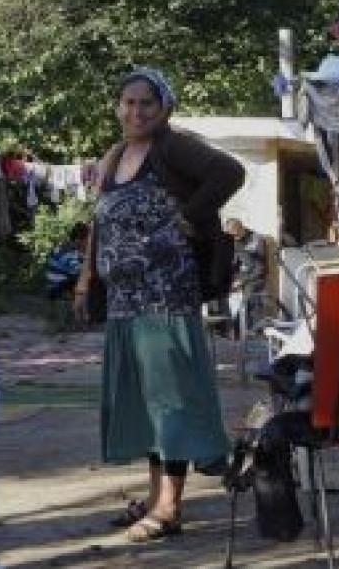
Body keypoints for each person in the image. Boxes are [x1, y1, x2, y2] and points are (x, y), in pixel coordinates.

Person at [73, 67, 245, 542]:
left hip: (166, 298)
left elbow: (229, 172)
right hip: (126, 303)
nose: (136, 111)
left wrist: (189, 218)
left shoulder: (174, 147)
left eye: (147, 102)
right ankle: (154, 499)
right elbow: (101, 225)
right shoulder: (114, 157)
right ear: (117, 108)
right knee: (148, 406)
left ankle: (168, 507)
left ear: (164, 107)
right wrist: (87, 280)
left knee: (170, 403)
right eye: (128, 102)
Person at [226, 217, 272, 339]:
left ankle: (254, 334)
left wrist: (242, 282)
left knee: (249, 300)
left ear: (241, 228)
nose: (234, 239)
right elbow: (234, 263)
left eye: (235, 235)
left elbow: (260, 269)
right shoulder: (234, 241)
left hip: (255, 278)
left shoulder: (257, 239)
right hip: (240, 278)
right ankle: (232, 333)